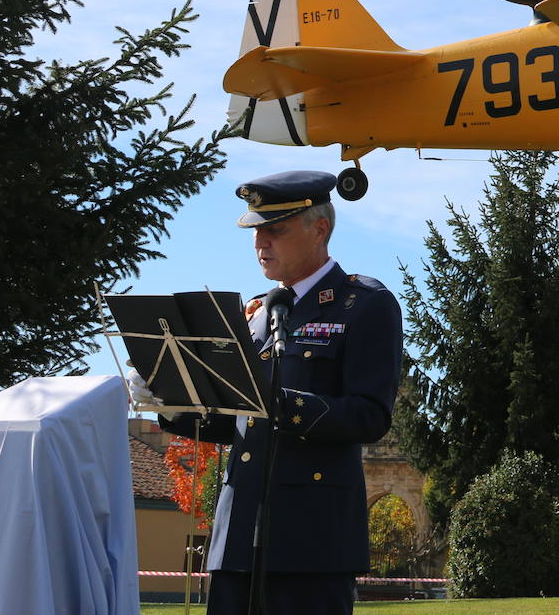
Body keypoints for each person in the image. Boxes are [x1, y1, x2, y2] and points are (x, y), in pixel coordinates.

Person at [130, 170, 403, 615]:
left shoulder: (364, 305)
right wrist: (171, 401)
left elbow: (370, 415)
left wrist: (281, 403)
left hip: (311, 544)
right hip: (236, 538)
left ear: (320, 228)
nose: (261, 243)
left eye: (275, 230)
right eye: (256, 232)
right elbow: (238, 421)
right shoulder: (257, 313)